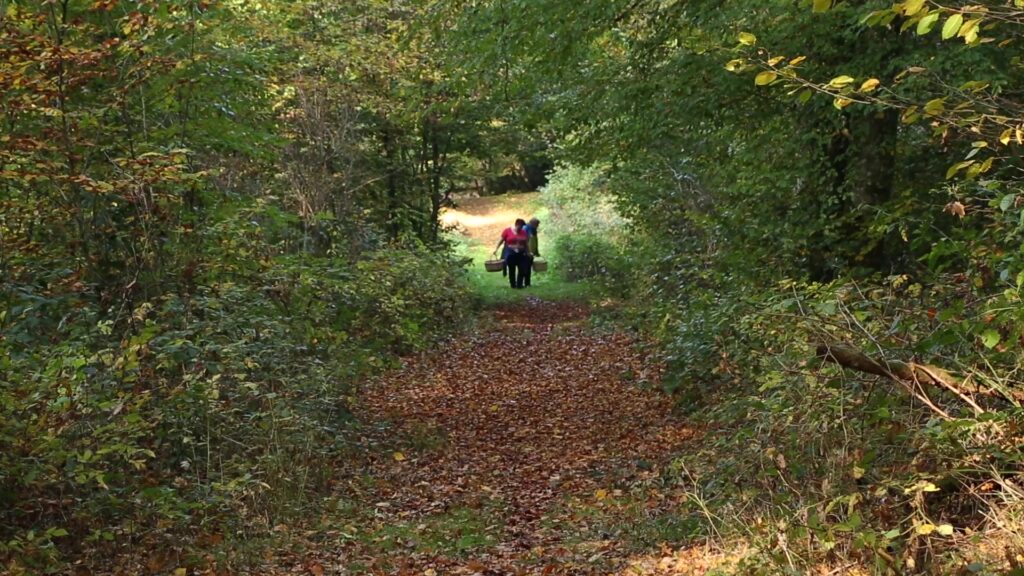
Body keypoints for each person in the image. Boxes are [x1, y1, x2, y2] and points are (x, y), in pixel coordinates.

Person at [494, 218, 530, 289]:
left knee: (522, 268)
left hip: (521, 253)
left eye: (522, 226)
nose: (521, 228)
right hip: (510, 253)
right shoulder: (507, 231)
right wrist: (496, 249)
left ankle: (519, 285)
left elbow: (526, 244)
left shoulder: (523, 232)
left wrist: (528, 252)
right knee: (511, 269)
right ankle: (513, 284)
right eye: (520, 226)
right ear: (516, 224)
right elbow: (501, 241)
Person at [522, 218, 540, 287]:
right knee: (526, 267)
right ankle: (525, 283)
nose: (538, 226)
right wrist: (529, 251)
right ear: (534, 224)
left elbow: (534, 241)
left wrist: (536, 251)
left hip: (528, 251)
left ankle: (526, 283)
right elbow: (529, 241)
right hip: (526, 251)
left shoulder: (531, 229)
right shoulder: (528, 228)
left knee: (527, 267)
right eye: (537, 224)